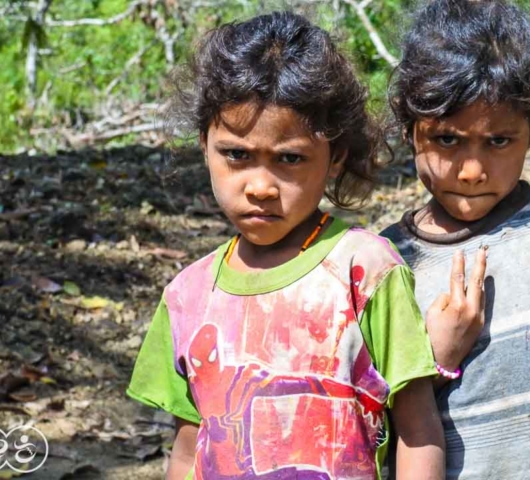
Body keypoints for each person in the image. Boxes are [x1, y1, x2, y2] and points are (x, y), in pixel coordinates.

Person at [127, 11, 450, 480]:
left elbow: (417, 427)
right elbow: (188, 446)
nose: (260, 185)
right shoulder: (187, 296)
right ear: (204, 144)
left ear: (335, 157)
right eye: (237, 155)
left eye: (290, 159)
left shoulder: (364, 270)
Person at [381, 1, 530, 478]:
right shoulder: (384, 264)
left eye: (499, 141)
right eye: (447, 140)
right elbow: (365, 429)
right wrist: (434, 362)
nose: (473, 171)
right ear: (409, 130)